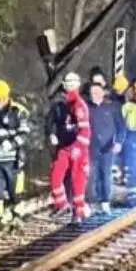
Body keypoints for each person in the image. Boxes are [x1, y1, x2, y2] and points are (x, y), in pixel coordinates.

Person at [0, 80, 29, 232]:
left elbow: (25, 134)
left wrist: (13, 143)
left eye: (0, 99)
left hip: (12, 159)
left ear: (7, 97)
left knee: (14, 190)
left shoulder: (17, 111)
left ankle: (17, 216)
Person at [48, 72, 92, 223]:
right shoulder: (63, 105)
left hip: (77, 149)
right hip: (65, 147)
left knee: (77, 180)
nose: (70, 88)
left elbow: (85, 130)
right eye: (68, 85)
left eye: (72, 85)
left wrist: (78, 147)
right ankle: (61, 204)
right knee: (55, 175)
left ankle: (78, 210)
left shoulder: (80, 106)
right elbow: (56, 123)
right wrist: (54, 135)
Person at [85, 77, 126, 213]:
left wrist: (119, 142)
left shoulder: (112, 107)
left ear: (103, 93)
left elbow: (121, 127)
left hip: (108, 146)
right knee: (91, 175)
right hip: (90, 146)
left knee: (106, 174)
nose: (94, 95)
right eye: (91, 93)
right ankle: (90, 201)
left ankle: (105, 201)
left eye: (97, 92)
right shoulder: (86, 108)